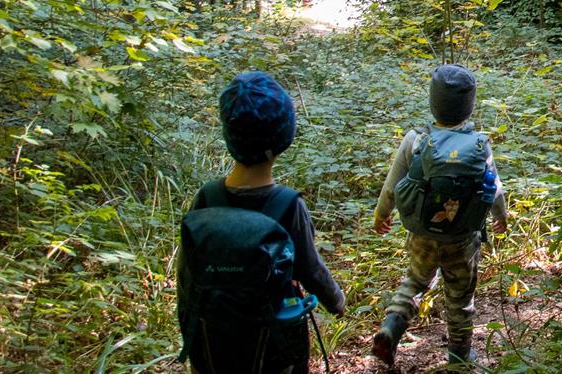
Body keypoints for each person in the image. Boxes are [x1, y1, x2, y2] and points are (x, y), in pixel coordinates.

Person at [177, 71, 346, 374]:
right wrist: (336, 301)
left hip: (212, 342)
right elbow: (311, 269)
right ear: (284, 136)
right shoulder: (288, 205)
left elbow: (187, 278)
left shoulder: (207, 197)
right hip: (273, 344)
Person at [371, 64, 510, 367]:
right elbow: (494, 187)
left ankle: (392, 326)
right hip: (462, 239)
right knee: (460, 298)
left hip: (422, 235)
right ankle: (460, 354)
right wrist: (502, 216)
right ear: (469, 106)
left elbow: (392, 186)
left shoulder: (415, 140)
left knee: (415, 280)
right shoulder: (479, 144)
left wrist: (381, 215)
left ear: (433, 102)